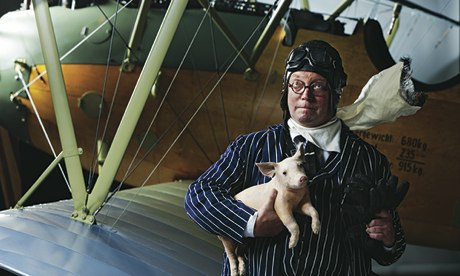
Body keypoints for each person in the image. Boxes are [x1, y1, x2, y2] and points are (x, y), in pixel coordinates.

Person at [184, 40, 406, 275]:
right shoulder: (250, 147)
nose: (305, 95)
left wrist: (389, 238)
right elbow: (199, 196)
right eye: (297, 84)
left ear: (335, 92)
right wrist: (251, 224)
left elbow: (392, 250)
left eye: (318, 86)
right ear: (286, 89)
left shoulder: (369, 160)